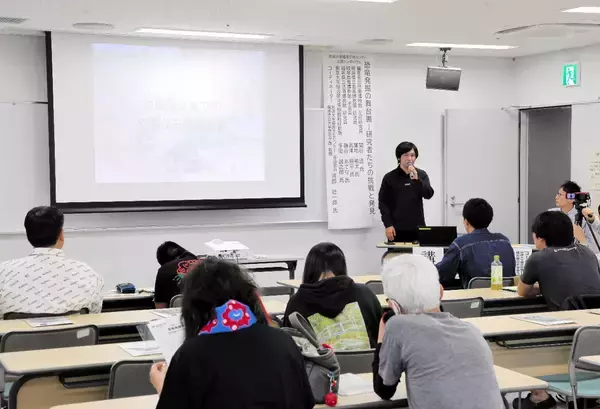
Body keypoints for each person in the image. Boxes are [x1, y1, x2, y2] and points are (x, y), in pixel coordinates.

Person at [149, 257, 314, 409]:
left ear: (194, 307)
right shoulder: (283, 341)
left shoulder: (191, 355)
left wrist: (163, 387)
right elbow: (305, 401)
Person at [373, 254, 503, 409]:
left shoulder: (397, 326)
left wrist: (381, 338)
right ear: (441, 291)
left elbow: (384, 389)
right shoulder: (471, 330)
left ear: (394, 306)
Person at [0, 206, 104, 316]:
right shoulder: (88, 274)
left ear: (28, 236)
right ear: (61, 235)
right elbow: (94, 316)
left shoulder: (3, 272)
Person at [283, 242, 382, 349]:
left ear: (309, 271)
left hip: (321, 360)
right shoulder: (364, 294)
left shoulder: (297, 302)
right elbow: (381, 335)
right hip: (368, 360)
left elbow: (289, 347)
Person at [518, 211, 600, 311]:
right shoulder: (587, 251)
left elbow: (523, 292)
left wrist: (544, 287)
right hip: (595, 317)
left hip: (566, 318)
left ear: (539, 238)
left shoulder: (537, 258)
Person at [436, 198, 516, 288]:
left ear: (466, 222)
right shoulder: (504, 240)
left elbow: (441, 273)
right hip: (505, 295)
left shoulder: (461, 244)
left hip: (474, 296)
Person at [378, 142, 434, 242]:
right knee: (397, 252)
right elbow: (383, 203)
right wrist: (388, 224)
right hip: (396, 228)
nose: (409, 158)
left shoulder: (421, 174)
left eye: (412, 155)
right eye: (406, 155)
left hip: (418, 227)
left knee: (418, 252)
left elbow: (428, 194)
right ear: (399, 157)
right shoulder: (389, 177)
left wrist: (417, 180)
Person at [553, 181, 600, 255]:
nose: (556, 197)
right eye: (557, 194)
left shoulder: (584, 217)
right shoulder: (552, 215)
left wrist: (582, 240)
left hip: (578, 256)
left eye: (560, 194)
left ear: (571, 198)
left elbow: (594, 250)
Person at [153, 241, 202, 308]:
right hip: (211, 312)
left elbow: (160, 308)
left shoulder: (164, 269)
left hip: (181, 312)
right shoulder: (208, 265)